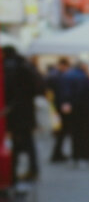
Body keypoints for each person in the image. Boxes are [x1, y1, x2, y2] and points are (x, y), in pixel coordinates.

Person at [2, 46, 42, 182]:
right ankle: (29, 170)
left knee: (18, 143)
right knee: (27, 143)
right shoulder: (25, 65)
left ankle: (13, 173)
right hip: (26, 112)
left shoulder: (11, 66)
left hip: (17, 113)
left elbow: (9, 88)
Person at [48, 58, 72, 162]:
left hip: (56, 107)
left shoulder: (53, 75)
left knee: (60, 131)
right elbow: (63, 93)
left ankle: (58, 153)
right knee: (61, 131)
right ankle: (57, 154)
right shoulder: (59, 77)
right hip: (59, 107)